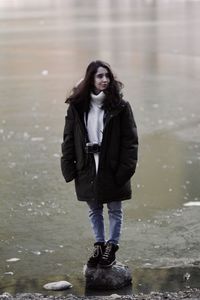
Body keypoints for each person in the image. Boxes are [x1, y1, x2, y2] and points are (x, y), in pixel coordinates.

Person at [61, 60, 138, 268]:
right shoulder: (77, 108)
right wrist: (69, 167)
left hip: (112, 168)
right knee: (94, 209)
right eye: (99, 76)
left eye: (107, 76)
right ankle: (99, 246)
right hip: (87, 166)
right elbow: (68, 138)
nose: (104, 79)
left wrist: (124, 171)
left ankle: (111, 248)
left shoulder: (120, 106)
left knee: (114, 209)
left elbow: (130, 142)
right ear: (90, 79)